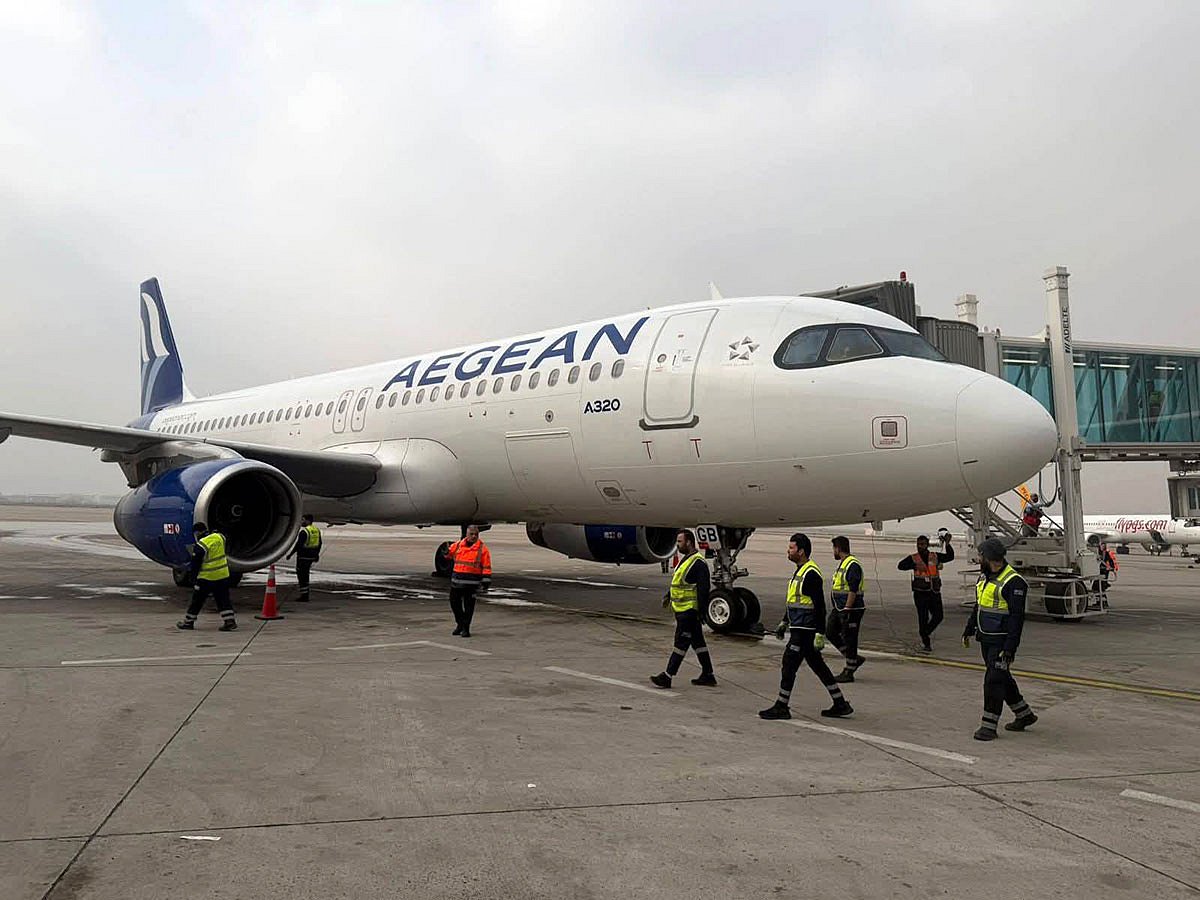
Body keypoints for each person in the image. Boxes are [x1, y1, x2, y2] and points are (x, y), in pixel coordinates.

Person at [759, 533, 852, 720]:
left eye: (792, 548)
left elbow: (819, 606)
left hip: (805, 631)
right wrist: (785, 621)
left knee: (789, 664)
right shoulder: (801, 570)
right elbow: (795, 600)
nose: (788, 550)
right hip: (799, 627)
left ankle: (782, 706)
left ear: (801, 551)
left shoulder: (810, 574)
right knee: (818, 666)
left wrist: (820, 633)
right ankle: (840, 702)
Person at [962, 538, 1037, 740]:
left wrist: (1010, 648)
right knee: (1002, 677)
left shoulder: (1014, 582)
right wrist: (969, 627)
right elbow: (980, 605)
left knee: (993, 680)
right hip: (986, 638)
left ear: (989, 558)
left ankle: (988, 726)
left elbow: (1016, 618)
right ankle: (1024, 714)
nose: (979, 560)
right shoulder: (985, 577)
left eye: (981, 556)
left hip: (1002, 642)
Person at [650, 530, 717, 689]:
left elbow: (703, 590)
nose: (677, 545)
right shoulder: (686, 560)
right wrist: (669, 595)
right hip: (682, 610)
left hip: (689, 612)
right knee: (698, 642)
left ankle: (667, 676)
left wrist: (701, 612)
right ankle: (708, 674)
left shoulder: (698, 563)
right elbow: (680, 583)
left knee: (681, 644)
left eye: (679, 542)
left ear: (688, 542)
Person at [897, 532, 955, 651]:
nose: (920, 546)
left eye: (922, 544)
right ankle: (926, 643)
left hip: (934, 591)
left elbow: (950, 557)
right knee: (922, 618)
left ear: (927, 545)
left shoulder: (934, 556)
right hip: (920, 593)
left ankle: (925, 633)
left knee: (939, 616)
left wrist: (948, 544)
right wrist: (914, 566)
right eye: (918, 544)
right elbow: (900, 566)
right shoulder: (913, 558)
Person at [176, 522, 237, 631]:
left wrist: (193, 579)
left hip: (207, 578)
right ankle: (229, 621)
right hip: (222, 575)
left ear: (197, 532)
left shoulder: (201, 545)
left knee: (197, 601)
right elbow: (224, 538)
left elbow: (196, 565)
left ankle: (188, 622)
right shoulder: (220, 537)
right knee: (223, 600)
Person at [826, 535, 866, 683]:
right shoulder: (844, 563)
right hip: (840, 607)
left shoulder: (852, 565)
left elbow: (853, 589)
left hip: (851, 609)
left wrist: (847, 609)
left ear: (837, 548)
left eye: (833, 549)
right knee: (830, 631)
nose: (833, 552)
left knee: (850, 638)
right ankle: (854, 659)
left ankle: (849, 670)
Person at [445, 524, 491, 637]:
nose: (474, 536)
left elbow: (486, 566)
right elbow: (449, 555)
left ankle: (466, 628)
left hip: (471, 584)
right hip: (456, 582)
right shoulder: (458, 545)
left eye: (476, 534)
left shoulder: (482, 549)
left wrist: (486, 580)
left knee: (469, 607)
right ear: (467, 534)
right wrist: (445, 552)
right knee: (455, 604)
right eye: (471, 534)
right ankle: (460, 623)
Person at [285, 514, 322, 601]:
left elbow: (298, 545)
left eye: (303, 520)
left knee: (301, 576)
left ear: (308, 521)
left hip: (303, 557)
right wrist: (317, 555)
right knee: (306, 575)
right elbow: (319, 544)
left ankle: (304, 596)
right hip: (311, 556)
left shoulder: (304, 532)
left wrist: (290, 554)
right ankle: (305, 594)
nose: (301, 522)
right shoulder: (316, 530)